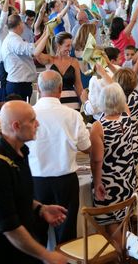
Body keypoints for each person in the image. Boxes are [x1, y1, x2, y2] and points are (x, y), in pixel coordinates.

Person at [0, 100, 68, 264]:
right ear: (16, 126)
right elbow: (10, 228)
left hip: (21, 248)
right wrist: (47, 255)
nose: (37, 124)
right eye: (32, 120)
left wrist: (40, 208)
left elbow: (13, 197)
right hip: (0, 253)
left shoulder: (20, 151)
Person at [27, 71, 91, 245]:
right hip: (65, 182)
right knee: (66, 237)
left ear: (38, 89)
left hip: (35, 181)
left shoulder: (28, 114)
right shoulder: (73, 115)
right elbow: (87, 148)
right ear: (61, 89)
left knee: (37, 236)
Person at [89, 81, 138, 235]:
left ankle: (118, 255)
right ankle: (125, 250)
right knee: (123, 219)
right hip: (128, 180)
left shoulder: (99, 127)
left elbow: (97, 160)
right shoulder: (128, 119)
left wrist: (97, 183)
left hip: (110, 183)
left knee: (112, 222)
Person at [0, 13, 50, 101]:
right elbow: (35, 52)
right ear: (20, 24)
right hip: (18, 85)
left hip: (19, 83)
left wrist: (44, 34)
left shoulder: (13, 38)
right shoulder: (14, 40)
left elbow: (33, 46)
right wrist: (46, 36)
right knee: (20, 113)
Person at [38, 32, 85, 110]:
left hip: (72, 102)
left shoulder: (74, 61)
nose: (70, 49)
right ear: (58, 45)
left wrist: (85, 104)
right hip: (53, 102)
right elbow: (36, 53)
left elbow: (79, 86)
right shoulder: (49, 60)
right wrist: (46, 35)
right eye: (67, 46)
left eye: (71, 46)